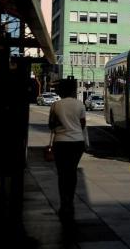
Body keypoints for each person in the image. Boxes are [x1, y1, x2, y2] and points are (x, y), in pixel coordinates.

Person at [48, 78, 86, 222]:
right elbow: (82, 125)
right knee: (72, 172)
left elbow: (51, 125)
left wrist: (61, 126)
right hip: (77, 143)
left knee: (62, 174)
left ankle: (64, 203)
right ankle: (70, 201)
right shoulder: (80, 105)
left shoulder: (55, 105)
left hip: (61, 143)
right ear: (73, 90)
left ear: (61, 91)